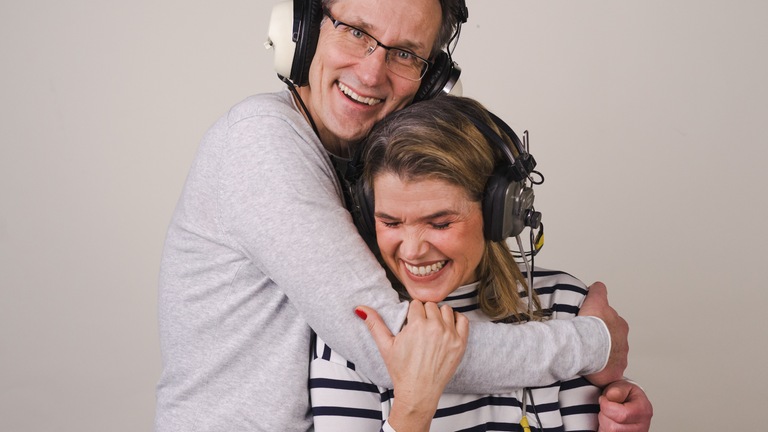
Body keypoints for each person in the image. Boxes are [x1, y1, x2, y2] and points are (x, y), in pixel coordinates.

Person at [155, 0, 651, 430]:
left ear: (433, 78)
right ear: (302, 29)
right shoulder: (259, 143)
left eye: (406, 53)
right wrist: (591, 344)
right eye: (355, 31)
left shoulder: (361, 159)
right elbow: (398, 352)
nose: (372, 73)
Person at [309, 95, 646, 431]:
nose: (411, 251)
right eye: (391, 223)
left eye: (440, 223)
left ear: (498, 213)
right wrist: (413, 408)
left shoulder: (566, 305)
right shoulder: (356, 332)